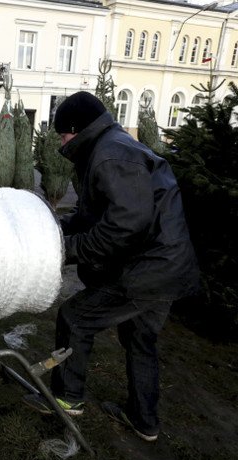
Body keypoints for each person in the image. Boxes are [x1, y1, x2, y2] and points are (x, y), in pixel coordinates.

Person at [23, 91, 199, 442]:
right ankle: (144, 420)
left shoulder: (109, 156)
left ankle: (67, 398)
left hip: (148, 269)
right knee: (139, 338)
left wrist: (67, 250)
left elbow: (125, 225)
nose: (61, 142)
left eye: (62, 135)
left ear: (77, 129)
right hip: (166, 265)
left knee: (75, 317)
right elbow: (95, 214)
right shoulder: (112, 146)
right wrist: (55, 227)